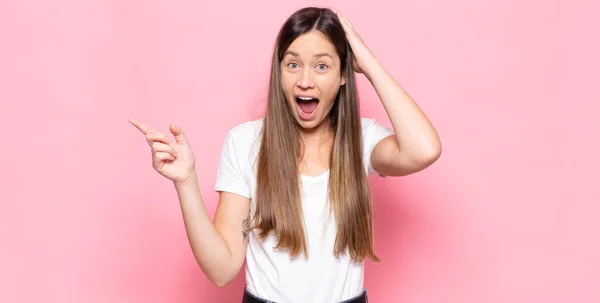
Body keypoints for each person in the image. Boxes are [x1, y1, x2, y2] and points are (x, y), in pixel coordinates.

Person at [130, 6, 441, 303]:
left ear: (344, 74)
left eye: (322, 66)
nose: (305, 81)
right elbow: (222, 270)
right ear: (278, 72)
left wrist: (369, 65)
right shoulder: (245, 142)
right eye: (292, 64)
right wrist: (185, 182)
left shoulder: (361, 140)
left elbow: (424, 150)